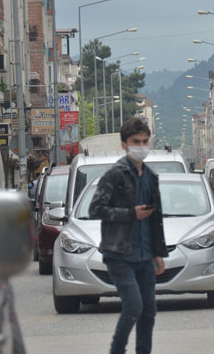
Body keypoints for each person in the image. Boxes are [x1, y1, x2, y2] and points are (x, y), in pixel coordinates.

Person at [89, 117, 168, 354]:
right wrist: (130, 214)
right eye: (136, 141)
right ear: (124, 144)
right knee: (133, 306)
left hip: (145, 256)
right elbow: (95, 209)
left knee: (148, 311)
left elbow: (156, 218)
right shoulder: (114, 174)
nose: (141, 146)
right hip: (119, 253)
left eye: (145, 141)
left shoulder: (151, 176)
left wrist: (158, 253)